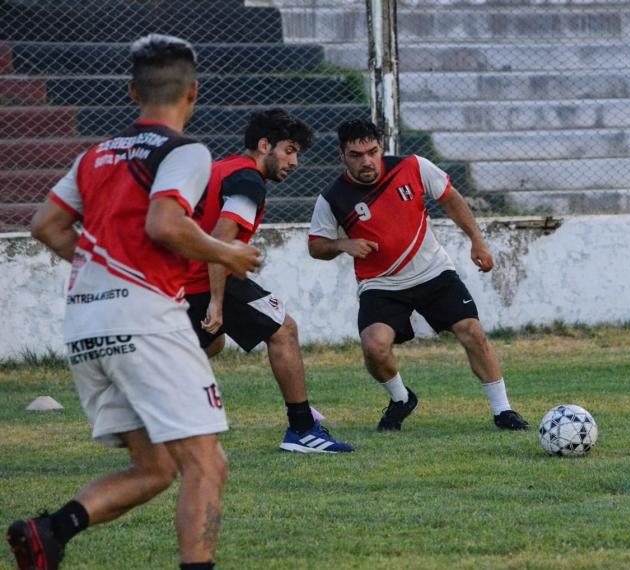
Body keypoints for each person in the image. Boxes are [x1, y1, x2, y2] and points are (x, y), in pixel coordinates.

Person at [6, 34, 261, 570]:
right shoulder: (185, 151)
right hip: (146, 320)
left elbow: (46, 225)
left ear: (131, 91)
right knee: (207, 463)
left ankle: (49, 532)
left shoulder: (94, 155)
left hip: (85, 325)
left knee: (155, 468)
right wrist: (226, 254)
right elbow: (164, 223)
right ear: (193, 93)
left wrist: (101, 267)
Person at [308, 119, 529, 432]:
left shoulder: (412, 167)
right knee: (374, 346)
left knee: (473, 331)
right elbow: (316, 247)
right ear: (341, 155)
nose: (367, 161)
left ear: (381, 148)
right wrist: (343, 243)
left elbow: (450, 196)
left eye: (372, 151)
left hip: (433, 272)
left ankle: (503, 411)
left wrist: (477, 240)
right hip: (380, 284)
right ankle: (401, 399)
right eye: (356, 155)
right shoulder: (332, 198)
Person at [184, 108, 353, 453]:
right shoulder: (248, 181)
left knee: (211, 343)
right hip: (206, 277)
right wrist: (216, 300)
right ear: (264, 145)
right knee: (283, 329)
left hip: (183, 277)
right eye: (289, 150)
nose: (294, 161)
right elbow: (222, 239)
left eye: (297, 153)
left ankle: (162, 405)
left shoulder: (223, 167)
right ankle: (303, 430)